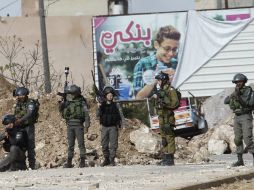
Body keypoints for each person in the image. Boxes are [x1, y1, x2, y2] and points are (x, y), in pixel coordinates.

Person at [133, 25, 181, 99]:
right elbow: (137, 99)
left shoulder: (177, 64)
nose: (171, 54)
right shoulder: (142, 64)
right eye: (167, 48)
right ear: (156, 45)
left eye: (174, 49)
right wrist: (157, 77)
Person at [224, 73, 254, 167]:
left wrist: (238, 96)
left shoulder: (248, 91)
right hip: (237, 116)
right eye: (236, 82)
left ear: (244, 82)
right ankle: (240, 160)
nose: (238, 83)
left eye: (240, 81)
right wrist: (234, 94)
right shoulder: (236, 91)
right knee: (237, 139)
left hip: (245, 116)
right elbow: (226, 101)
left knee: (247, 139)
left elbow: (247, 104)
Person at [59, 84, 90, 168]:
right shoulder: (67, 102)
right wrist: (62, 102)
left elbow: (86, 115)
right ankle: (69, 162)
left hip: (79, 125)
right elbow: (61, 111)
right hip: (70, 125)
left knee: (81, 144)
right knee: (70, 145)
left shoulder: (82, 103)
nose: (70, 95)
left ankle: (82, 161)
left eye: (71, 94)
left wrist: (86, 126)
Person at [153, 72, 180, 166]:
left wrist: (166, 104)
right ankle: (165, 157)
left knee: (169, 136)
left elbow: (175, 103)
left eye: (159, 80)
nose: (158, 82)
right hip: (161, 117)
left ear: (164, 80)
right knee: (163, 137)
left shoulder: (171, 90)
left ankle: (170, 159)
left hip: (168, 117)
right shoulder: (160, 90)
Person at [13, 87, 39, 170]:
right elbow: (15, 114)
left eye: (19, 96)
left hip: (28, 127)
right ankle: (22, 166)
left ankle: (32, 165)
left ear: (23, 95)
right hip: (20, 127)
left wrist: (21, 120)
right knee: (21, 145)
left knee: (30, 146)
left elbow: (30, 113)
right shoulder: (18, 103)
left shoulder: (30, 103)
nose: (17, 97)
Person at [97, 86, 122, 166]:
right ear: (105, 96)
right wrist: (99, 107)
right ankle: (106, 159)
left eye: (111, 95)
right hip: (104, 126)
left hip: (113, 127)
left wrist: (121, 125)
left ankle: (112, 160)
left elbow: (120, 115)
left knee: (113, 144)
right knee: (104, 144)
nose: (110, 96)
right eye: (108, 95)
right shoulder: (102, 105)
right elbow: (98, 116)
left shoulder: (116, 105)